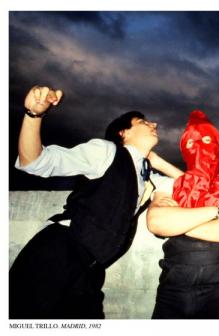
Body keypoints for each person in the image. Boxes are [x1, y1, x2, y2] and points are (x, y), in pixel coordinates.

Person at [9, 85, 182, 319]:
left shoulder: (147, 177)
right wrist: (34, 115)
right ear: (124, 133)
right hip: (58, 254)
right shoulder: (106, 151)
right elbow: (34, 161)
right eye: (143, 122)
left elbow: (188, 184)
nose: (154, 125)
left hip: (90, 270)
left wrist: (158, 162)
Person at [147, 110, 219, 319]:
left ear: (218, 145)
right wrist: (215, 212)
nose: (198, 147)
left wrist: (180, 219)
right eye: (190, 143)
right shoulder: (170, 185)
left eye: (206, 139)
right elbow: (156, 223)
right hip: (173, 284)